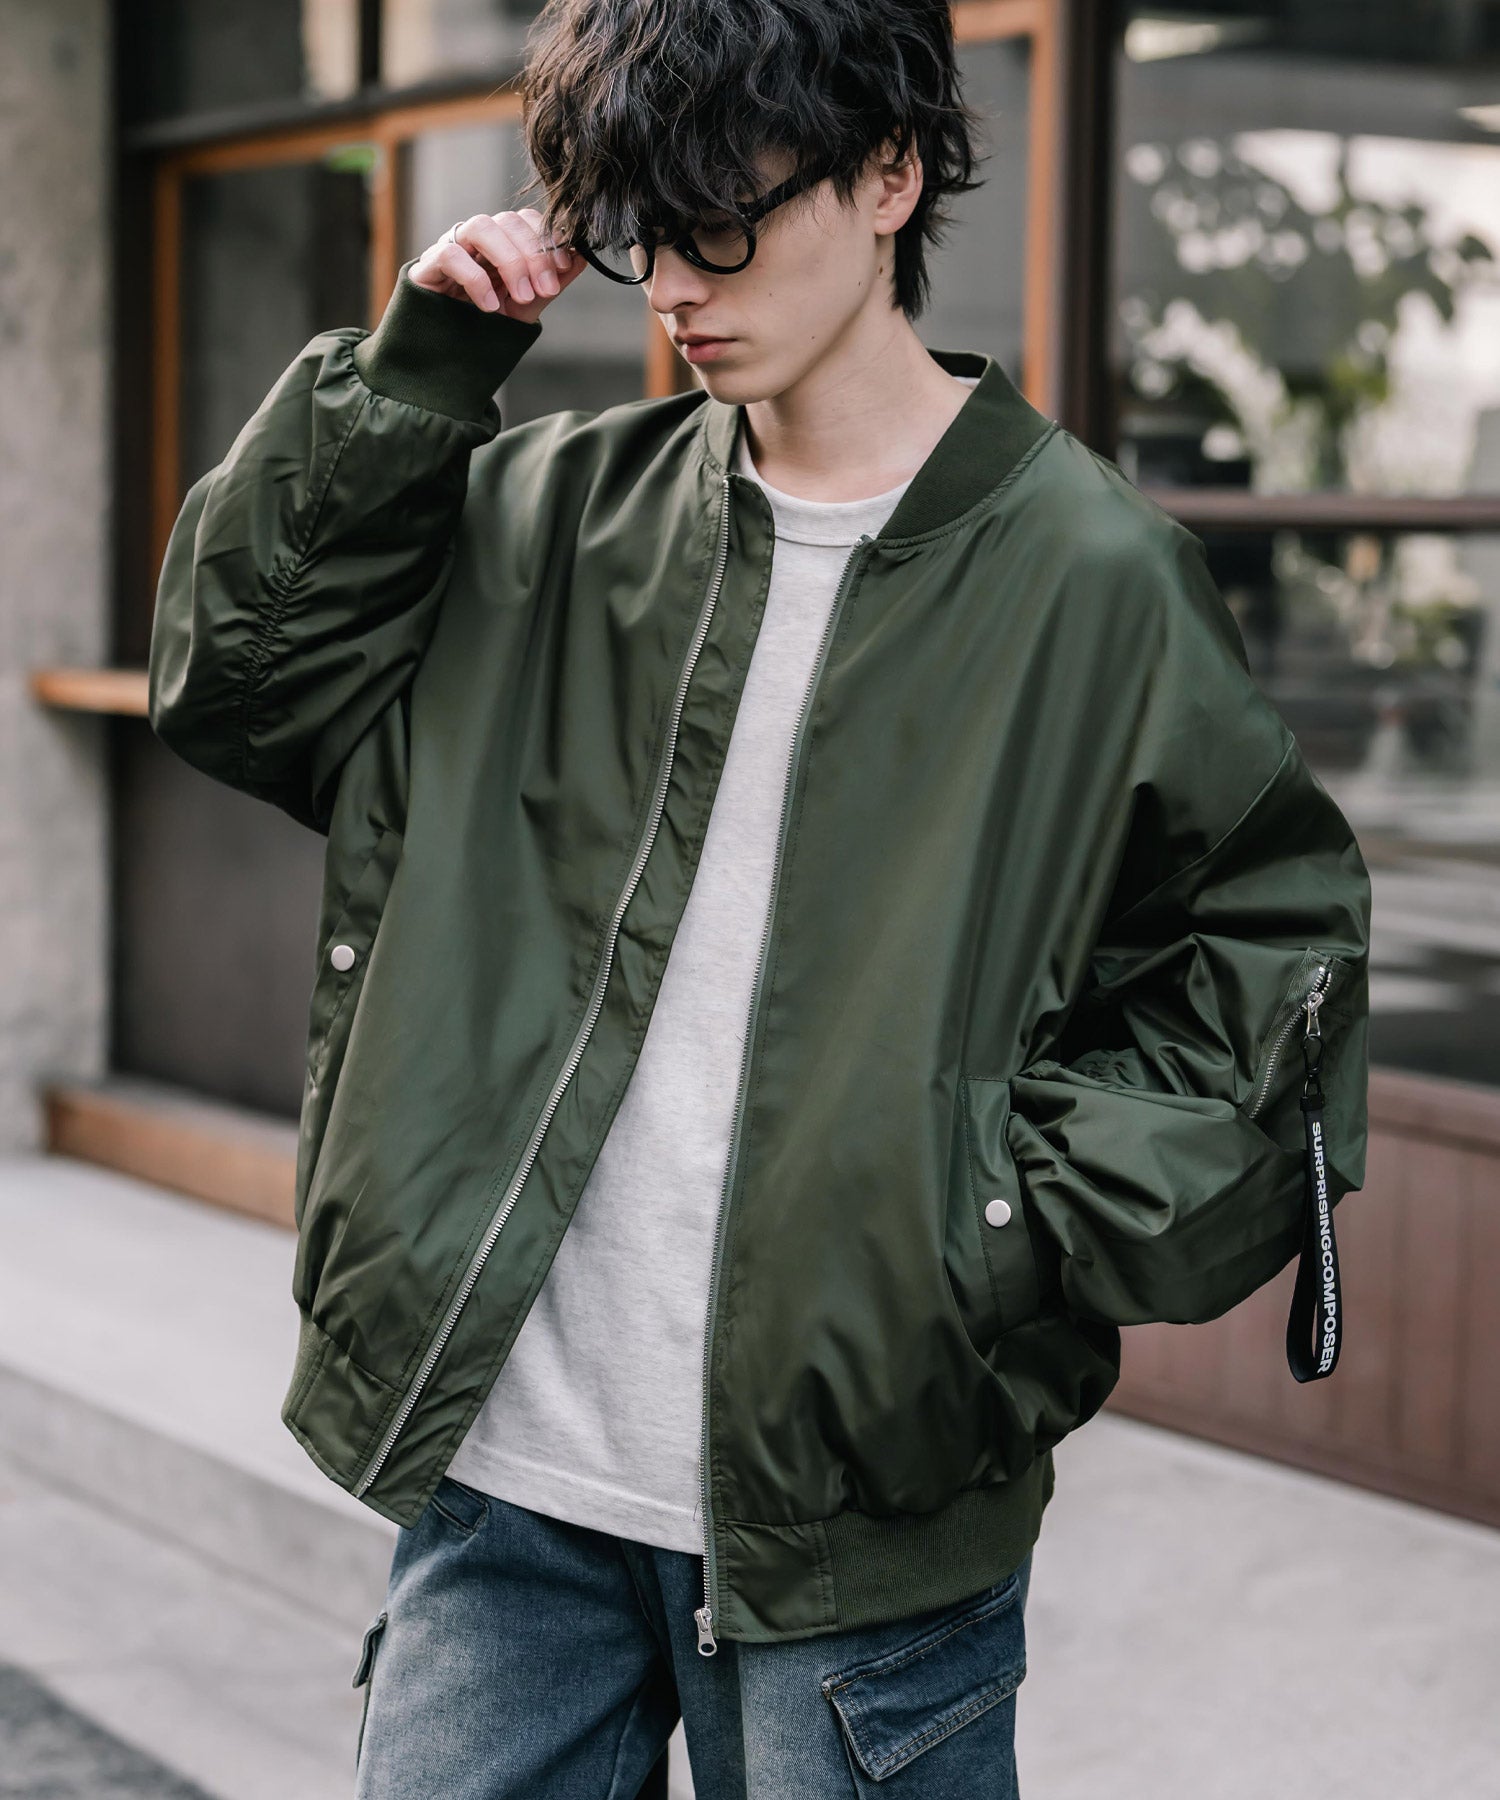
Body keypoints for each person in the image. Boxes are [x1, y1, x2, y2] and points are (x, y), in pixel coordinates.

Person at [146, 0, 1372, 1793]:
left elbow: (1264, 952)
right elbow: (239, 684)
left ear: (890, 175)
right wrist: (415, 379)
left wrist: (1002, 1232)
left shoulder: (1090, 578)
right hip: (506, 1484)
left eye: (719, 223)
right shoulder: (549, 514)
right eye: (640, 233)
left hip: (859, 1521)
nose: (671, 287)